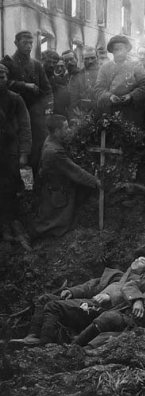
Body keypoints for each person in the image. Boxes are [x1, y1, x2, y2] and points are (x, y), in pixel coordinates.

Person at [16, 249, 145, 345]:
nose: (136, 260)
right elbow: (91, 285)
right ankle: (32, 336)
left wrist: (109, 297)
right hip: (89, 304)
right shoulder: (116, 276)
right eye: (136, 258)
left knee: (54, 307)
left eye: (142, 261)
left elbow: (140, 295)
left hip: (100, 311)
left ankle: (44, 345)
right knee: (45, 299)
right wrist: (72, 291)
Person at [32, 114, 100, 238]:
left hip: (53, 184)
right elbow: (75, 172)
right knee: (59, 223)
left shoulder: (51, 139)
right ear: (57, 131)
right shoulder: (54, 152)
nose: (69, 130)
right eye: (66, 128)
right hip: (57, 190)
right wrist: (96, 181)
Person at [1, 31, 52, 175]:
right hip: (13, 114)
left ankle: (35, 188)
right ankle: (15, 188)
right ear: (16, 43)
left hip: (35, 115)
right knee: (13, 152)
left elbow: (47, 90)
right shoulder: (6, 63)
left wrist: (48, 110)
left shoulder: (36, 65)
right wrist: (24, 85)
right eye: (25, 43)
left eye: (31, 43)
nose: (29, 46)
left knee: (37, 151)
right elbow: (4, 84)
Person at [0, 63, 32, 243]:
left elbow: (25, 126)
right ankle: (4, 226)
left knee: (12, 186)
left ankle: (13, 222)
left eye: (2, 76)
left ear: (7, 78)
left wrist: (24, 153)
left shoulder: (15, 99)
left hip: (10, 149)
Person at [95, 35, 145, 128]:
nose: (120, 53)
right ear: (112, 51)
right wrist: (110, 97)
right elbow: (99, 89)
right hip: (110, 112)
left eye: (122, 49)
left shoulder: (136, 65)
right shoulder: (105, 68)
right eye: (116, 50)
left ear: (127, 50)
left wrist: (131, 96)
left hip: (132, 113)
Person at [77, 46, 100, 113]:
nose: (90, 61)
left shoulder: (105, 73)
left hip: (101, 110)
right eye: (86, 59)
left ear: (97, 58)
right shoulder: (78, 74)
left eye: (93, 58)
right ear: (82, 59)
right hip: (83, 112)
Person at [61, 50, 81, 120]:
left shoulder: (83, 76)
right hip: (66, 116)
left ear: (76, 59)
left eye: (71, 59)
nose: (69, 62)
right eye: (66, 61)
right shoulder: (63, 78)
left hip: (80, 114)